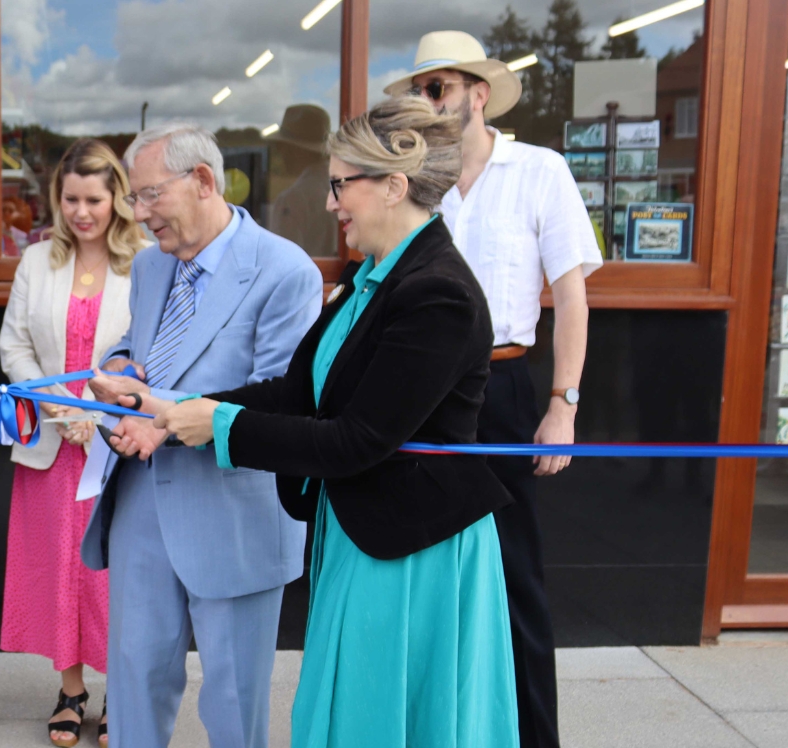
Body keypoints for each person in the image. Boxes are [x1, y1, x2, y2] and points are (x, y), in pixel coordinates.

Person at [153, 96, 519, 747]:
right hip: (360, 530)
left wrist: (221, 426)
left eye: (340, 185)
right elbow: (298, 391)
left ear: (394, 186)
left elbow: (358, 440)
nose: (329, 203)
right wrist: (178, 408)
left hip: (413, 549)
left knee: (382, 717)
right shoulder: (370, 275)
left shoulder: (438, 293)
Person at [386, 30, 602, 748]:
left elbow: (570, 297)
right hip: (421, 387)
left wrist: (562, 406)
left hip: (505, 381)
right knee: (425, 575)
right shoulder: (414, 180)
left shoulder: (540, 171)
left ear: (479, 94)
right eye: (419, 90)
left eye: (438, 87)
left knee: (514, 583)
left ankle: (535, 740)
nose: (428, 101)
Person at [81, 123, 322, 748]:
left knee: (235, 698)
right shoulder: (151, 265)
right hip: (141, 499)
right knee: (134, 678)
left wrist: (160, 416)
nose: (138, 215)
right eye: (133, 199)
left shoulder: (285, 271)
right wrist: (115, 367)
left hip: (233, 508)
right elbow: (142, 348)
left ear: (204, 181)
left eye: (149, 196)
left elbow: (280, 398)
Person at [0, 138, 146, 747]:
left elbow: (150, 354)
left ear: (117, 199)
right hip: (49, 446)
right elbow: (13, 345)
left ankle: (120, 694)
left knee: (112, 575)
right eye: (71, 199)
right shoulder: (38, 261)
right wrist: (56, 404)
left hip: (112, 447)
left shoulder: (146, 261)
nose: (82, 212)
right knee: (58, 572)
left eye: (94, 199)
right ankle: (71, 689)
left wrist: (100, 409)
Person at [266, 103, 338, 258]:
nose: (280, 153)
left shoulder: (292, 199)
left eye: (283, 146)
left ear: (295, 150)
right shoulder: (341, 186)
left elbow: (282, 261)